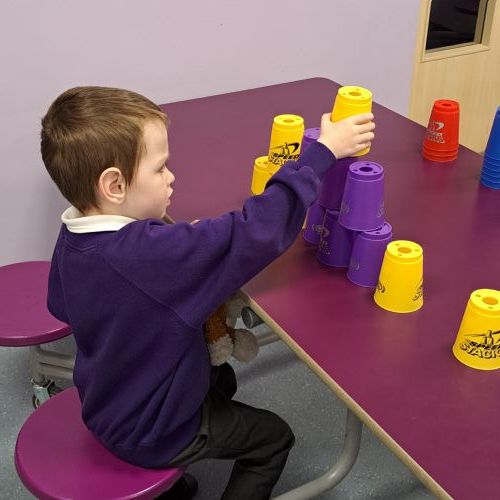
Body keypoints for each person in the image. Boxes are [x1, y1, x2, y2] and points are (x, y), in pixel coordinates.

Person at [41, 86, 374, 499]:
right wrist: (323, 153)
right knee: (274, 439)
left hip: (105, 400)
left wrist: (177, 250)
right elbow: (257, 231)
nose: (171, 177)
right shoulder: (154, 256)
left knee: (223, 378)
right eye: (160, 168)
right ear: (114, 185)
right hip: (152, 429)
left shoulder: (74, 237)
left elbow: (61, 302)